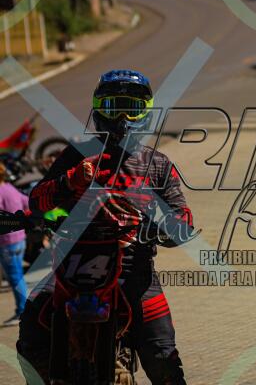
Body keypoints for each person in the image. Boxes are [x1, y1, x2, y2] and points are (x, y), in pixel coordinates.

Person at [17, 70, 193, 384]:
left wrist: (162, 224)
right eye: (113, 107)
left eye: (131, 108)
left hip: (134, 270)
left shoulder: (158, 164)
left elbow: (183, 217)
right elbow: (37, 200)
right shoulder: (75, 156)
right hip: (71, 268)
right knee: (31, 329)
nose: (122, 118)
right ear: (99, 110)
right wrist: (69, 181)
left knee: (163, 356)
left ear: (145, 112)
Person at [0, 162, 29, 327]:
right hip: (20, 239)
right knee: (18, 276)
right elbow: (26, 202)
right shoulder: (10, 188)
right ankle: (24, 309)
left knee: (15, 278)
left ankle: (22, 311)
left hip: (6, 243)